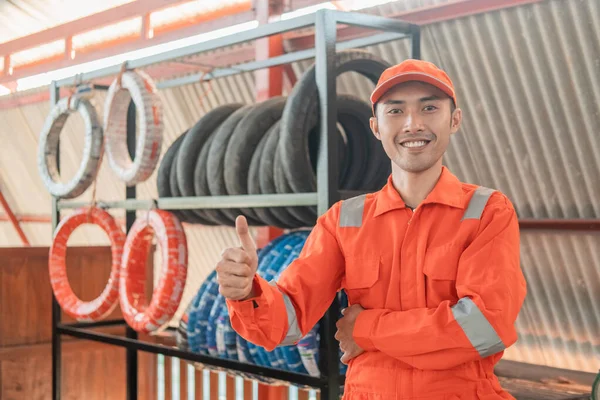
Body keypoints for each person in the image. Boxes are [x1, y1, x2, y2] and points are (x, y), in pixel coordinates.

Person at [216, 59, 527, 399]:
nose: (412, 123)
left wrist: (365, 328)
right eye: (395, 111)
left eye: (429, 108)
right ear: (375, 127)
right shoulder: (344, 220)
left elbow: (485, 326)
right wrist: (247, 293)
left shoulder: (487, 211)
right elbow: (288, 317)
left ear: (454, 120)